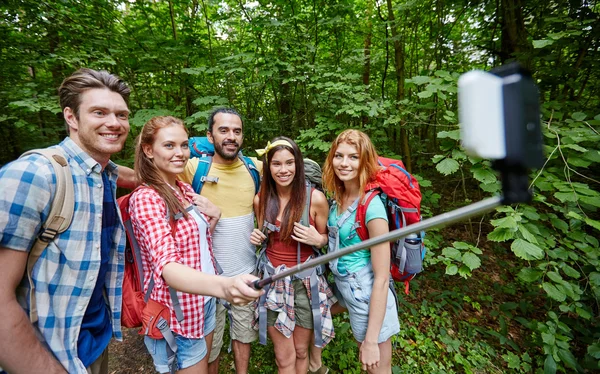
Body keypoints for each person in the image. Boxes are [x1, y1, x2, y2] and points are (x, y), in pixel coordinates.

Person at [0, 68, 131, 373]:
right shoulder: (33, 176)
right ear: (71, 118)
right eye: (99, 112)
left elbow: (131, 174)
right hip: (42, 354)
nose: (114, 123)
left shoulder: (105, 176)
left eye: (121, 115)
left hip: (89, 343)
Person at [128, 116, 263, 374]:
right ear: (148, 150)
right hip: (178, 315)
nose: (179, 153)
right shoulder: (147, 198)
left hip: (204, 303)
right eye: (169, 146)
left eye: (183, 145)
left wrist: (215, 215)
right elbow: (167, 266)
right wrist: (224, 286)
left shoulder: (181, 188)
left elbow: (196, 240)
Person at [178, 108, 261, 374]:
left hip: (246, 271)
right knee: (208, 346)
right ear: (210, 135)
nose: (231, 136)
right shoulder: (192, 168)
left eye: (236, 131)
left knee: (243, 335)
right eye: (223, 130)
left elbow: (289, 181)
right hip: (205, 277)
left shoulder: (254, 168)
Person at [249, 137, 336, 374]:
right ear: (268, 167)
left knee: (300, 350)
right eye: (276, 164)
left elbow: (329, 240)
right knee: (283, 357)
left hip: (306, 283)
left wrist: (319, 239)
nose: (284, 170)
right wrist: (259, 237)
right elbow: (267, 235)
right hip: (273, 282)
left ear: (298, 164)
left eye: (289, 163)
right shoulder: (261, 199)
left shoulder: (314, 199)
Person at [322, 129, 400, 373]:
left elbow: (382, 277)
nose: (344, 163)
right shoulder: (339, 197)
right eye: (339, 155)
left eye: (353, 157)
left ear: (365, 161)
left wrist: (370, 341)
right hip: (347, 291)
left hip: (369, 299)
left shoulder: (372, 207)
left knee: (377, 369)